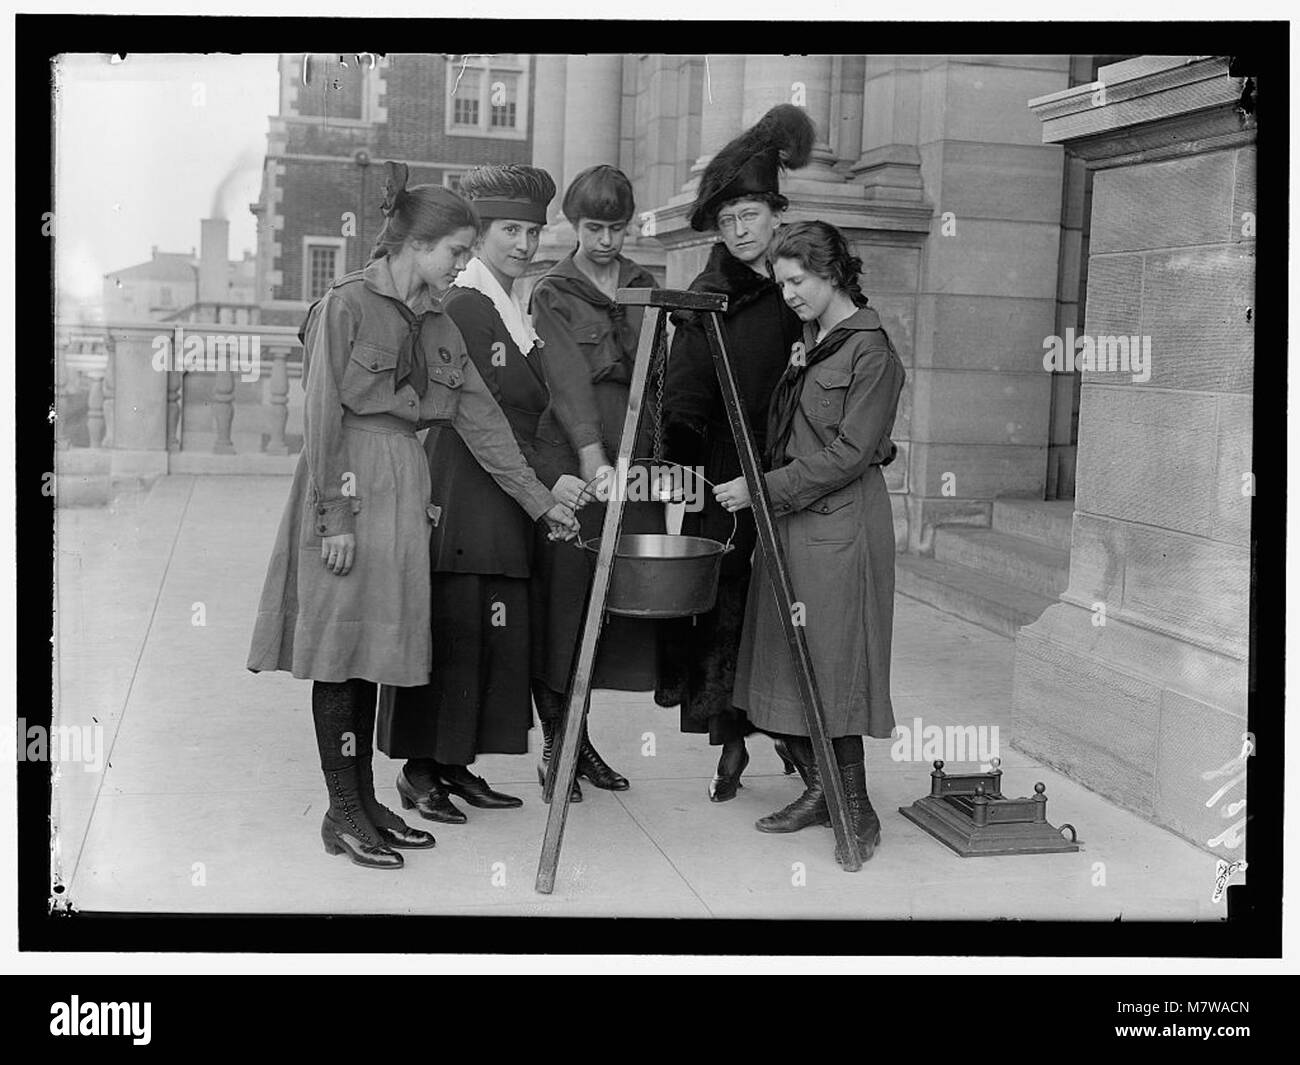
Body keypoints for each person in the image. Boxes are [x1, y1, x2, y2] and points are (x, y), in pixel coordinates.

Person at [247, 162, 576, 870]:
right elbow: (321, 419)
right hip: (349, 484)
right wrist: (333, 516)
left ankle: (365, 803)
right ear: (414, 243)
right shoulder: (344, 305)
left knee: (370, 653)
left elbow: (484, 422)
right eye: (458, 250)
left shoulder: (435, 320)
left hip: (402, 484)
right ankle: (341, 809)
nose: (464, 262)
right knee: (340, 655)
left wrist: (541, 502)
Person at [376, 164, 592, 815]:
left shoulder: (507, 303)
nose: (525, 244)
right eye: (509, 231)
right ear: (481, 233)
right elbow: (485, 416)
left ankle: (454, 763)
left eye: (532, 230)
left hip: (501, 488)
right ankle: (420, 771)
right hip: (468, 486)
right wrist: (549, 483)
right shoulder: (468, 305)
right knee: (455, 627)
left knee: (485, 632)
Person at [714, 220, 906, 865]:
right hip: (796, 522)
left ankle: (857, 812)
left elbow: (854, 451)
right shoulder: (815, 340)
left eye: (797, 281)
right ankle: (823, 790)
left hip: (839, 530)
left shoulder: (871, 351)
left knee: (831, 671)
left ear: (831, 273)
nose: (789, 294)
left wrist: (759, 489)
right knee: (782, 666)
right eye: (781, 283)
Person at [655, 104, 812, 802]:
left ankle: (796, 729)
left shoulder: (805, 282)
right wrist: (686, 477)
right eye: (727, 220)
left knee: (795, 607)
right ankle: (733, 741)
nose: (741, 230)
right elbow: (682, 399)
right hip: (723, 477)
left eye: (750, 213)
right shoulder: (705, 298)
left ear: (775, 212)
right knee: (727, 612)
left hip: (796, 472)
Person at [527, 164, 662, 801]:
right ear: (572, 225)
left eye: (616, 228)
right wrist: (590, 456)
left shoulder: (645, 284)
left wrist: (649, 461)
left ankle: (581, 744)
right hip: (576, 464)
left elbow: (657, 377)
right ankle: (558, 743)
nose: (605, 240)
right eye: (592, 228)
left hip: (631, 464)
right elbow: (564, 381)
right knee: (565, 605)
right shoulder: (553, 291)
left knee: (605, 609)